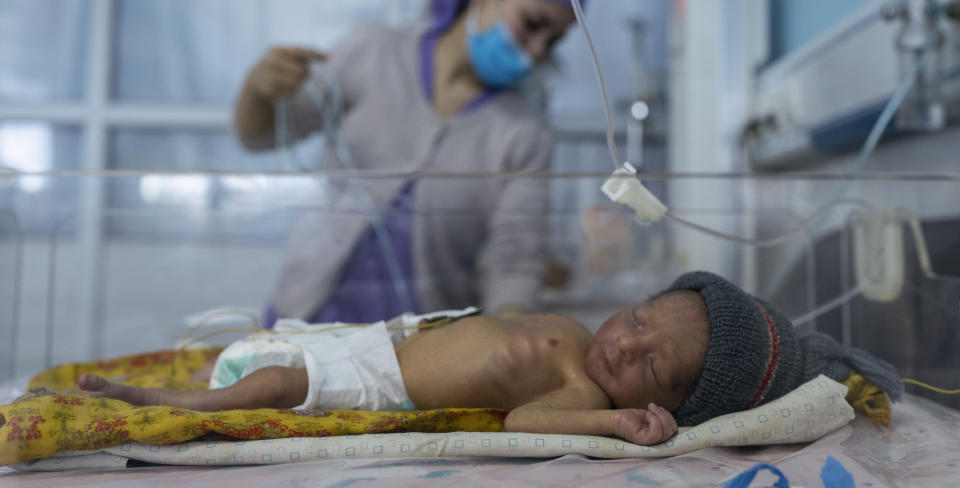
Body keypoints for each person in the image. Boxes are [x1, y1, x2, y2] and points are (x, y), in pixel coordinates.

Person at [232, 0, 589, 326]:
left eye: (554, 41)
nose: (537, 52)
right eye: (533, 24)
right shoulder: (373, 53)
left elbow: (517, 256)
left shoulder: (522, 132)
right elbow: (259, 135)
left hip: (421, 350)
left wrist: (504, 336)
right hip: (307, 315)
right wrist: (257, 91)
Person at [77, 271, 903, 446]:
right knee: (261, 353)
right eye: (643, 315)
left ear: (677, 404)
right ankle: (185, 382)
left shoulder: (580, 384)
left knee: (274, 385)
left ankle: (168, 409)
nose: (628, 341)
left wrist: (620, 420)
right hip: (375, 337)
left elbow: (523, 418)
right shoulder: (586, 338)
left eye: (653, 368)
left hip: (376, 381)